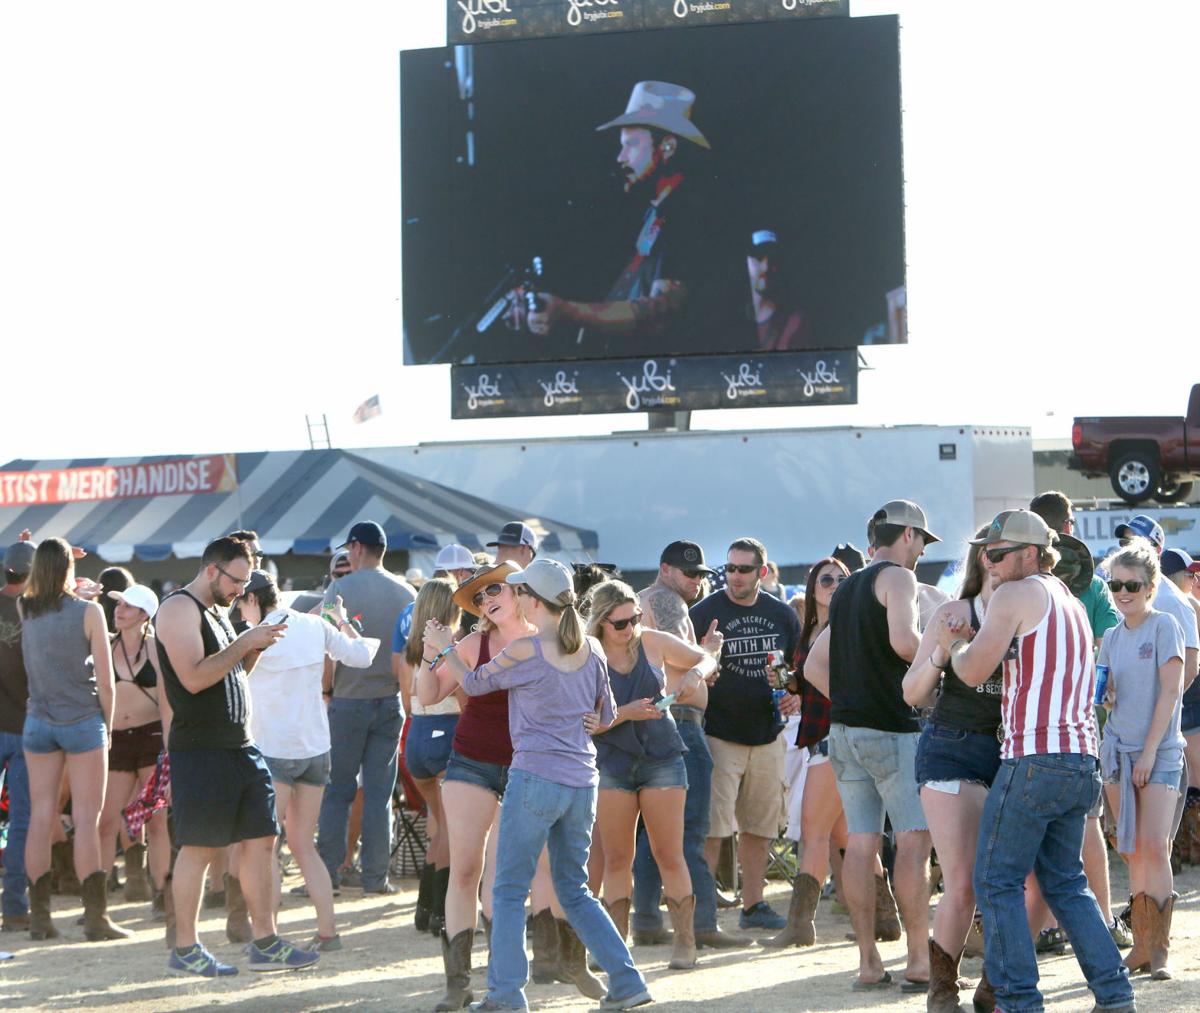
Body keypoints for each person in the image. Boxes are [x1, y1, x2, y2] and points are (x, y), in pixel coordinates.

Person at [424, 558, 652, 1012]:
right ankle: (628, 983)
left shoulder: (527, 649)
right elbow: (606, 716)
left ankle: (506, 996)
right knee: (575, 890)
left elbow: (474, 684)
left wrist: (444, 648)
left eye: (519, 590)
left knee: (509, 890)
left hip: (535, 778)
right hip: (582, 782)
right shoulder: (592, 647)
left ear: (532, 600)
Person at [936, 509, 1134, 1013]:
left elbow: (971, 670)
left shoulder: (1015, 595)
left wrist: (953, 644)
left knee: (996, 881)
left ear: (1030, 554)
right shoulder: (1069, 599)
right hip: (1080, 758)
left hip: (1034, 756)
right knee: (1067, 884)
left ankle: (1019, 1000)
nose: (989, 562)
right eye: (986, 553)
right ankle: (1115, 996)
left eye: (998, 553)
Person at [155, 535, 317, 976]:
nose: (241, 591)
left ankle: (265, 942)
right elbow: (193, 678)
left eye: (246, 583)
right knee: (200, 848)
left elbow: (233, 674)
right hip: (202, 749)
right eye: (236, 580)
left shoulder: (217, 611)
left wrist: (255, 649)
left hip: (240, 745)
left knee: (263, 841)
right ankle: (185, 948)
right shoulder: (178, 608)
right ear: (212, 569)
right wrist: (245, 642)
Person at [805, 500, 935, 991]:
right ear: (907, 535)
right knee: (914, 840)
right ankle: (919, 961)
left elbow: (813, 665)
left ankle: (868, 962)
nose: (922, 551)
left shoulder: (846, 588)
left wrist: (850, 699)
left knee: (861, 843)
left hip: (845, 732)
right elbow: (905, 643)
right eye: (922, 540)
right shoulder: (899, 578)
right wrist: (941, 657)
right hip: (894, 729)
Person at [416, 561, 554, 1011]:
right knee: (463, 870)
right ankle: (457, 984)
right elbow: (428, 695)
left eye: (494, 590)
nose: (486, 600)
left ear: (518, 591)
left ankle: (501, 984)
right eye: (478, 597)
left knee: (502, 879)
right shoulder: (474, 643)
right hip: (471, 762)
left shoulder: (546, 639)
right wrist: (431, 652)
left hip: (525, 768)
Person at [523, 81, 716, 359]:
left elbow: (658, 315)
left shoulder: (689, 214)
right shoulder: (655, 212)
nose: (620, 158)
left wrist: (568, 311)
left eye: (631, 145)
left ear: (668, 146)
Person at [241, 569, 378, 952]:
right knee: (304, 846)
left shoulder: (255, 635)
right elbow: (362, 656)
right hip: (315, 747)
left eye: (241, 602)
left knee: (266, 848)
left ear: (252, 599)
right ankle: (327, 932)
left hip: (273, 748)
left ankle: (266, 936)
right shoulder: (314, 626)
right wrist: (342, 620)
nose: (240, 611)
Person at [588, 579, 717, 970]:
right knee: (617, 858)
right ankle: (616, 949)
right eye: (621, 623)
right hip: (611, 760)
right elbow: (584, 723)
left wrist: (696, 674)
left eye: (636, 618)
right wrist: (624, 713)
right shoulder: (587, 653)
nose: (630, 628)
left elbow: (705, 657)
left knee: (669, 854)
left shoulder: (651, 641)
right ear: (600, 621)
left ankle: (685, 943)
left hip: (662, 756)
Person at [901, 531, 1002, 1011]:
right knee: (962, 880)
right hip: (953, 748)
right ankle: (942, 993)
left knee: (1023, 881)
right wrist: (943, 650)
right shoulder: (955, 613)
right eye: (995, 554)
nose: (1003, 564)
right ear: (983, 559)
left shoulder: (1037, 609)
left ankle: (995, 985)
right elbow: (912, 692)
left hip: (1016, 752)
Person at [1027, 491, 1128, 951]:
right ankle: (1102, 920)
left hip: (1026, 724)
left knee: (1034, 830)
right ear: (1067, 525)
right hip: (1078, 723)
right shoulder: (1091, 584)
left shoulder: (1015, 579)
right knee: (1086, 823)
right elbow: (1111, 642)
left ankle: (1044, 925)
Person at [18, 537, 130, 943]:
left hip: (38, 721)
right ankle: (95, 918)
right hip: (83, 720)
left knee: (40, 816)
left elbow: (34, 580)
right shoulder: (90, 612)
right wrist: (109, 727)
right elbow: (107, 681)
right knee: (86, 819)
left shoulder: (26, 608)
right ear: (69, 569)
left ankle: (40, 918)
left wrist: (41, 553)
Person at [690, 537, 801, 932]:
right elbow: (682, 666)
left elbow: (796, 670)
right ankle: (703, 914)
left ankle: (754, 906)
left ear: (762, 572)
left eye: (743, 569)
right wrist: (702, 663)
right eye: (729, 569)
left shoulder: (782, 615)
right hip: (719, 734)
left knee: (760, 827)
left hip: (768, 732)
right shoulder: (703, 613)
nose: (734, 576)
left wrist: (794, 693)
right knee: (713, 829)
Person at [632, 540, 737, 950]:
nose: (696, 581)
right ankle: (703, 921)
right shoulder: (667, 600)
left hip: (656, 722)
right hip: (680, 723)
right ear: (665, 570)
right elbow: (685, 659)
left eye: (700, 574)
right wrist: (708, 653)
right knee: (689, 829)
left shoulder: (643, 600)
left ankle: (645, 919)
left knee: (652, 833)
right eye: (688, 573)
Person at [1097, 540, 1186, 980]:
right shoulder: (1112, 637)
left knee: (1154, 846)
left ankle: (1160, 949)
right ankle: (1141, 947)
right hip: (1117, 751)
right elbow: (1104, 692)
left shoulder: (1165, 625)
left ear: (1150, 586)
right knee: (1131, 849)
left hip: (1160, 753)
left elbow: (1171, 691)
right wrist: (1107, 696)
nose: (1122, 592)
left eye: (1131, 585)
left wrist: (1149, 751)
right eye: (1115, 584)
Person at [317, 520, 414, 895]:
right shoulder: (406, 592)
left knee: (337, 791)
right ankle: (376, 878)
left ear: (356, 548)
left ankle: (328, 875)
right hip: (389, 700)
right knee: (379, 795)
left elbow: (328, 650)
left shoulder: (338, 588)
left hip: (347, 700)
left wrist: (327, 689)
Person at [763, 556, 850, 950]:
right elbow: (810, 682)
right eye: (827, 579)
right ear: (813, 587)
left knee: (814, 832)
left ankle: (800, 925)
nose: (835, 584)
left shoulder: (846, 627)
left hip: (835, 737)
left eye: (842, 579)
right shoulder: (811, 631)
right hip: (822, 737)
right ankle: (885, 918)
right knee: (847, 834)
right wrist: (791, 683)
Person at [395, 576, 464, 938]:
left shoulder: (411, 649)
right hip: (445, 732)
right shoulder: (453, 647)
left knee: (438, 824)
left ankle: (425, 909)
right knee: (451, 829)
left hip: (416, 737)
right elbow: (465, 696)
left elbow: (408, 701)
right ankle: (440, 912)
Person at [97, 583, 169, 909]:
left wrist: (170, 747)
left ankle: (162, 894)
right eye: (118, 604)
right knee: (106, 822)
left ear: (144, 615)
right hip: (116, 739)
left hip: (151, 737)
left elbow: (167, 703)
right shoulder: (104, 644)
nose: (119, 610)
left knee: (156, 821)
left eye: (127, 606)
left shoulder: (157, 648)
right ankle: (96, 901)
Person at [0, 540, 34, 931]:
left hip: (21, 727)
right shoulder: (40, 610)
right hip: (27, 727)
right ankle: (14, 907)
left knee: (23, 820)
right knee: (22, 820)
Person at [1159, 547, 1200, 863]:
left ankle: (1177, 849)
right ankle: (1191, 848)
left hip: (1162, 693)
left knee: (1175, 772)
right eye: (1190, 574)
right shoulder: (1187, 605)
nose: (1194, 580)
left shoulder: (1152, 603)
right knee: (1194, 771)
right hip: (1190, 690)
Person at [745, 229, 808, 351]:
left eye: (773, 258)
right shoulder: (732, 321)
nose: (766, 267)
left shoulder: (795, 322)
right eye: (758, 257)